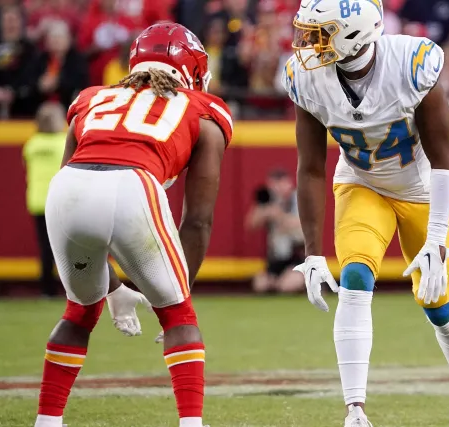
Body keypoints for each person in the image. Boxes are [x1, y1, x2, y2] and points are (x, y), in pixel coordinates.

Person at [282, 2, 449, 427]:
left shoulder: (411, 63)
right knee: (354, 278)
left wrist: (435, 238)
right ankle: (355, 411)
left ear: (351, 34)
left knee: (438, 303)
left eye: (319, 34)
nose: (306, 44)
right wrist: (313, 252)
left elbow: (445, 157)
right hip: (362, 182)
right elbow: (311, 167)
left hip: (422, 189)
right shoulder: (307, 77)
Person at [33, 22, 232, 427]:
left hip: (67, 188)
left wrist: (113, 289)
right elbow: (197, 221)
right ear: (192, 70)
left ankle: (47, 422)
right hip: (134, 184)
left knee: (78, 311)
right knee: (179, 315)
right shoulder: (204, 111)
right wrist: (176, 297)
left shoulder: (89, 99)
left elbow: (80, 188)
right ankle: (191, 424)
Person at [23, 102, 67, 297]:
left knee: (45, 247)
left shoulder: (31, 145)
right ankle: (71, 288)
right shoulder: (64, 142)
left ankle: (46, 289)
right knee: (65, 247)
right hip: (60, 201)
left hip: (37, 201)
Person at [246, 169, 304, 294]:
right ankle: (278, 280)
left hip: (297, 258)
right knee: (260, 285)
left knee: (287, 286)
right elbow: (251, 225)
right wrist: (262, 208)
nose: (277, 189)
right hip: (276, 259)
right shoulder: (269, 201)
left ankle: (308, 283)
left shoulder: (297, 199)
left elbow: (299, 226)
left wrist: (278, 215)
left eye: (280, 184)